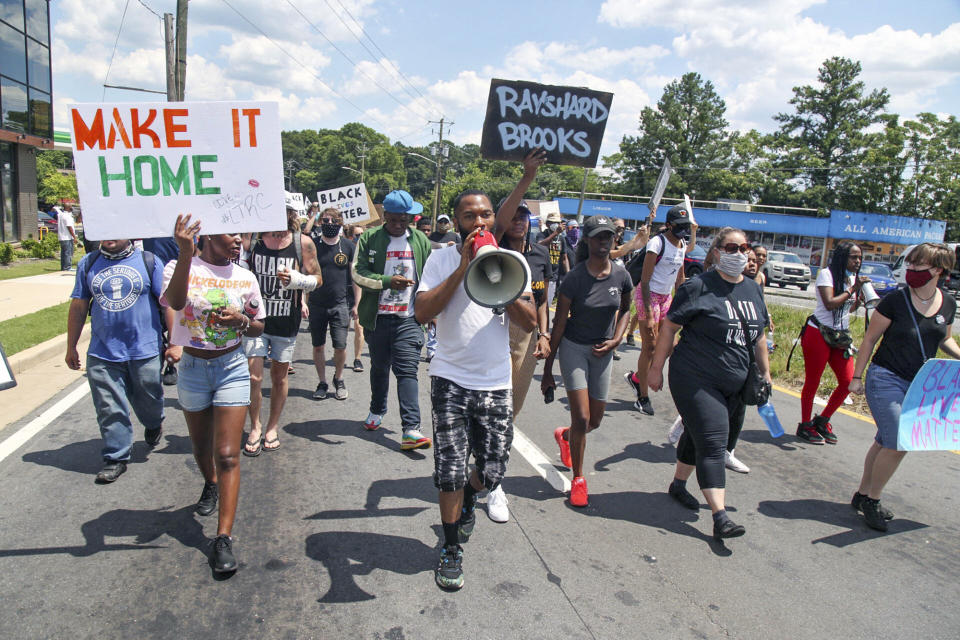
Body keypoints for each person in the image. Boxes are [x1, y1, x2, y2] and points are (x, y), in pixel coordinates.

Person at [415, 188, 536, 591]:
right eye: (470, 217)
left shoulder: (512, 260)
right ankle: (451, 547)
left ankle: (471, 495)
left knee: (493, 467)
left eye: (485, 215)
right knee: (448, 470)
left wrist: (502, 287)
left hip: (495, 381)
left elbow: (531, 321)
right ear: (457, 222)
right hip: (450, 377)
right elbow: (422, 312)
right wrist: (463, 267)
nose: (479, 222)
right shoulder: (441, 258)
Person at [649, 227, 769, 541]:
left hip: (736, 381)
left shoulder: (754, 289)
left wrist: (765, 375)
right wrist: (655, 369)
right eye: (731, 248)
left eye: (744, 247)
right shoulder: (698, 287)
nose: (739, 254)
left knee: (696, 432)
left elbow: (759, 338)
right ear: (716, 252)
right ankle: (720, 516)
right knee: (715, 442)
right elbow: (668, 329)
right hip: (695, 378)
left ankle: (678, 485)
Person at [161, 215, 266, 573]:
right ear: (208, 236)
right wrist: (186, 253)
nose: (239, 240)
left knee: (227, 453)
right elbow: (174, 302)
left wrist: (240, 322)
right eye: (232, 233)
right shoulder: (180, 265)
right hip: (192, 369)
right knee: (201, 447)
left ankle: (223, 538)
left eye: (242, 234)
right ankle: (210, 483)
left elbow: (258, 324)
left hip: (231, 367)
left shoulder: (245, 276)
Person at [848, 243, 959, 531]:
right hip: (885, 378)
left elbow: (944, 339)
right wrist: (857, 377)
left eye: (916, 266)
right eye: (908, 265)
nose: (909, 271)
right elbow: (870, 339)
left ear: (937, 270)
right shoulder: (895, 301)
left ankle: (862, 494)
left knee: (885, 440)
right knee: (900, 440)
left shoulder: (948, 303)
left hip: (919, 386)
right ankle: (874, 500)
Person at [542, 215, 633, 507]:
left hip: (603, 353)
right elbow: (558, 326)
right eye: (598, 236)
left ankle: (566, 436)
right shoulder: (575, 278)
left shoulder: (621, 275)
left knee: (594, 420)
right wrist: (547, 370)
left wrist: (617, 339)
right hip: (574, 349)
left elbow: (626, 310)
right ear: (587, 241)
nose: (604, 241)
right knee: (581, 417)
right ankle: (578, 480)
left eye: (608, 236)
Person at [65, 238, 166, 483]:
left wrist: (175, 342)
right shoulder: (89, 264)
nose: (110, 236)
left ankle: (153, 423)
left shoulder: (149, 261)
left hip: (145, 348)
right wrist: (71, 346)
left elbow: (167, 304)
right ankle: (116, 456)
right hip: (103, 350)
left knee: (149, 397)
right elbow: (79, 307)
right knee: (108, 406)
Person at [488, 148, 551, 522]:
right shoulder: (492, 249)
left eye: (525, 218)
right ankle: (491, 480)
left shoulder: (541, 255)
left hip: (527, 337)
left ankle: (493, 471)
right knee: (491, 406)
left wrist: (544, 334)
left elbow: (543, 299)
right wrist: (527, 175)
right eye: (515, 216)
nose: (520, 223)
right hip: (495, 332)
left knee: (511, 411)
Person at [352, 189, 432, 450]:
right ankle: (377, 409)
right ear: (384, 216)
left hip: (408, 318)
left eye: (404, 220)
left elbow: (430, 278)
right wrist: (386, 281)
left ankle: (411, 429)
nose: (398, 225)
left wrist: (431, 312)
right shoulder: (369, 238)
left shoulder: (420, 240)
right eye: (394, 220)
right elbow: (357, 273)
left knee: (407, 369)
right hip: (377, 319)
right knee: (379, 367)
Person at [242, 204, 321, 455]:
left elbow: (318, 279)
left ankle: (272, 427)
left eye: (282, 210)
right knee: (253, 377)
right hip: (255, 321)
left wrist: (297, 280)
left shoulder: (302, 243)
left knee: (279, 377)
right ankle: (254, 426)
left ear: (289, 214)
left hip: (286, 321)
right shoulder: (253, 240)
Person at [624, 205, 697, 415]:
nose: (683, 231)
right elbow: (645, 282)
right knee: (650, 347)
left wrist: (683, 306)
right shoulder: (657, 243)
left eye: (686, 227)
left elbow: (680, 278)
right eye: (680, 227)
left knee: (670, 346)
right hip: (649, 295)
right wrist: (646, 315)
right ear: (669, 225)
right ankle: (642, 396)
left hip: (667, 298)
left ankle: (637, 377)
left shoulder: (682, 244)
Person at [797, 241, 867, 445]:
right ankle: (805, 424)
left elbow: (846, 309)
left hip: (840, 336)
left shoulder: (852, 278)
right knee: (813, 381)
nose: (857, 261)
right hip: (818, 332)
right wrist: (853, 289)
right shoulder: (827, 274)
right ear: (842, 257)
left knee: (848, 382)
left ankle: (823, 419)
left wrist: (858, 301)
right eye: (853, 257)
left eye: (860, 258)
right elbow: (829, 304)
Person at [308, 207, 359, 401]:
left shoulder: (348, 246)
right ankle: (322, 382)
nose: (329, 224)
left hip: (341, 304)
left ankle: (339, 378)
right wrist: (304, 302)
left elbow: (355, 277)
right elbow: (306, 274)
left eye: (333, 221)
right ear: (320, 223)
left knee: (340, 346)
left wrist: (357, 304)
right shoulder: (312, 245)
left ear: (340, 223)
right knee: (318, 346)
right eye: (325, 221)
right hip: (317, 304)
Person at [343, 224, 365, 372]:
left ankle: (357, 358)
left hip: (361, 293)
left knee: (359, 327)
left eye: (362, 234)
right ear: (351, 237)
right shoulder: (345, 249)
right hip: (345, 292)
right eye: (357, 235)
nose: (360, 237)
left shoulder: (366, 250)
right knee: (343, 327)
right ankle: (341, 353)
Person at [537, 210, 570, 306]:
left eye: (557, 222)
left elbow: (564, 258)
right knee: (538, 303)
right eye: (553, 222)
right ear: (547, 224)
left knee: (547, 304)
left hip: (553, 277)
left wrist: (568, 274)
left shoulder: (561, 239)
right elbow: (540, 245)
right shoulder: (542, 235)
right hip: (541, 276)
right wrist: (555, 233)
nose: (556, 224)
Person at [57, 204, 79, 271]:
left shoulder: (61, 215)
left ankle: (63, 267)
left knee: (64, 253)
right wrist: (74, 237)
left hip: (62, 237)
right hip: (67, 237)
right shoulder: (67, 216)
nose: (72, 208)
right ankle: (67, 267)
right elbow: (69, 227)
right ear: (68, 208)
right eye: (71, 206)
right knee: (68, 253)